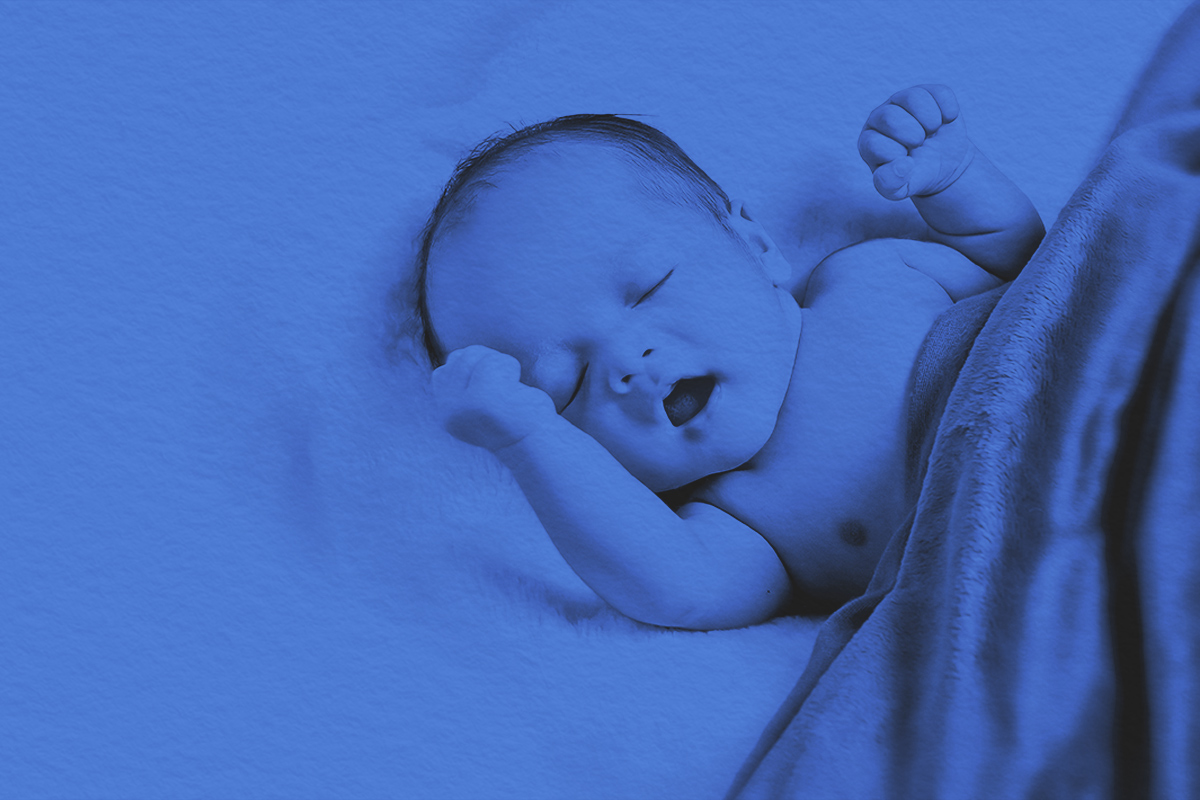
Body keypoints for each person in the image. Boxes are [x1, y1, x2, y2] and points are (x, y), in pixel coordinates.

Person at [418, 85, 1044, 630]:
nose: (629, 364)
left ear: (755, 244)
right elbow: (677, 591)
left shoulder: (872, 276)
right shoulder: (744, 522)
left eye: (649, 287)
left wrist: (957, 177)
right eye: (568, 384)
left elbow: (1032, 274)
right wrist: (525, 440)